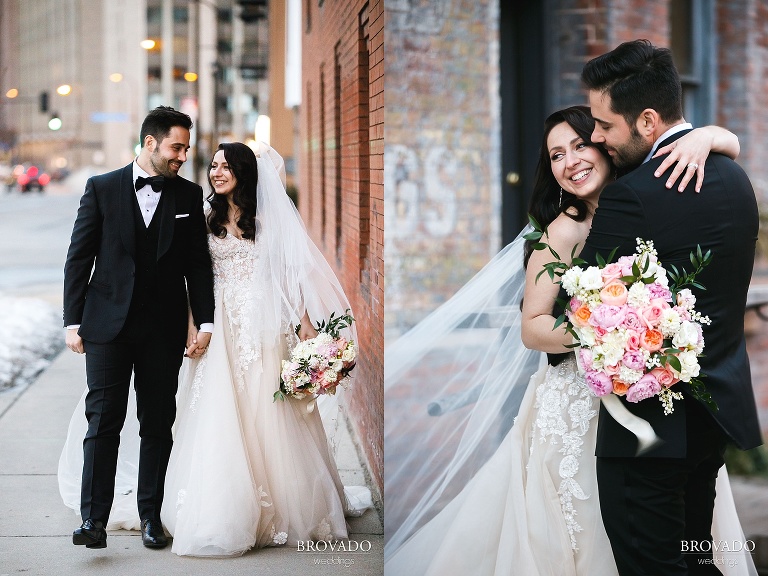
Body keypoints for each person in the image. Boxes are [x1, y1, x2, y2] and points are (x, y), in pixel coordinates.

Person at [383, 106, 757, 575]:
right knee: (589, 525)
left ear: (605, 146)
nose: (570, 161)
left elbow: (729, 142)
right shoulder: (563, 231)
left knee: (666, 528)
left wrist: (704, 138)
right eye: (556, 155)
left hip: (649, 396)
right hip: (578, 403)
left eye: (580, 145)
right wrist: (608, 334)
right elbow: (533, 326)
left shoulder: (647, 201)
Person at [60, 141, 370, 556]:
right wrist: (195, 325)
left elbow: (290, 282)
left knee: (268, 411)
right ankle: (177, 509)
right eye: (214, 165)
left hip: (262, 326)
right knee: (210, 414)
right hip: (217, 325)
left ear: (245, 173)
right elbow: (191, 275)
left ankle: (281, 503)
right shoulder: (204, 216)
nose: (215, 172)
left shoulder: (268, 223)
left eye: (226, 166)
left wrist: (311, 341)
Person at [580, 40, 761, 575]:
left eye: (604, 125)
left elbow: (581, 303)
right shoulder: (736, 178)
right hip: (710, 423)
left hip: (648, 435)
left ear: (648, 120)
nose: (595, 137)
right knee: (695, 557)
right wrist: (715, 135)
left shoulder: (630, 194)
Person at [62, 106, 215, 550]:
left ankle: (151, 516)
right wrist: (73, 321)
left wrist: (204, 321)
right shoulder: (101, 188)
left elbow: (197, 266)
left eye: (185, 148)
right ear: (150, 143)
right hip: (107, 327)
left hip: (163, 331)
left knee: (156, 423)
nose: (182, 156)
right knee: (103, 421)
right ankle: (93, 520)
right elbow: (79, 258)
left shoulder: (188, 196)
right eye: (176, 147)